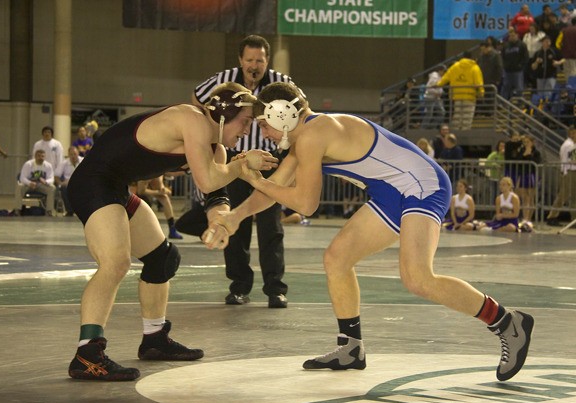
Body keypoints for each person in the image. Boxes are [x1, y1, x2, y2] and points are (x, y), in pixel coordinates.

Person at [207, 82, 534, 382]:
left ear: (283, 114)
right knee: (337, 258)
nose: (263, 133)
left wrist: (257, 181)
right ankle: (351, 347)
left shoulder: (314, 134)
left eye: (263, 123)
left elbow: (305, 204)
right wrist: (234, 218)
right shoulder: (304, 140)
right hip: (393, 192)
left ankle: (507, 322)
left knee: (417, 277)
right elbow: (271, 192)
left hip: (421, 184)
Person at [65, 82, 279, 381]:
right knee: (115, 262)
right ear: (221, 114)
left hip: (115, 187)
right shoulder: (190, 118)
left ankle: (154, 339)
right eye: (245, 121)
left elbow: (215, 193)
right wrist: (242, 166)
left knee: (162, 259)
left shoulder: (215, 148)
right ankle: (87, 355)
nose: (247, 130)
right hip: (93, 182)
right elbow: (206, 180)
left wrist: (221, 222)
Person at [192, 34, 290, 308]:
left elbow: (300, 108)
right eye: (249, 60)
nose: (254, 65)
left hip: (268, 163)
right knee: (236, 224)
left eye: (259, 60)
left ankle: (275, 289)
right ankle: (239, 286)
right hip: (235, 160)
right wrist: (210, 136)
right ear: (240, 60)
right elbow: (197, 98)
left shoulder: (281, 83)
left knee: (271, 226)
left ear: (267, 61)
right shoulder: (224, 80)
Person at [437, 51, 484, 130]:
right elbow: (478, 83)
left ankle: (456, 131)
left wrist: (438, 85)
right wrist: (481, 93)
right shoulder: (475, 68)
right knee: (467, 116)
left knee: (457, 115)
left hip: (457, 96)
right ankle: (465, 131)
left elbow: (446, 78)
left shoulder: (455, 66)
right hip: (470, 97)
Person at [136, 175, 184, 239]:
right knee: (145, 204)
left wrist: (164, 191)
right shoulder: (147, 175)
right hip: (134, 189)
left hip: (146, 186)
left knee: (165, 198)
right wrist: (158, 192)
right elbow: (140, 191)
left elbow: (164, 191)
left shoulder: (159, 175)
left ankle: (172, 229)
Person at [546, 126, 576, 226]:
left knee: (573, 197)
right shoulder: (570, 145)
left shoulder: (569, 144)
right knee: (563, 195)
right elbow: (572, 160)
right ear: (571, 133)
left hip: (569, 171)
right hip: (570, 172)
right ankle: (552, 216)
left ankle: (574, 218)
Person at [15, 149, 55, 215]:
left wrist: (46, 182)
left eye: (42, 156)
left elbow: (51, 178)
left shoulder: (48, 166)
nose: (40, 158)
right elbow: (22, 178)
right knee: (19, 187)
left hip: (41, 185)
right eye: (39, 156)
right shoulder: (28, 164)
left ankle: (49, 210)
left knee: (52, 188)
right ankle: (17, 210)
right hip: (29, 185)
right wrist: (29, 183)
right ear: (35, 156)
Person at [515, 135, 542, 222]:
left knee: (530, 198)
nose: (526, 144)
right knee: (524, 198)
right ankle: (525, 218)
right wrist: (524, 154)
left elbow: (536, 162)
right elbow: (518, 161)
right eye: (525, 142)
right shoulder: (521, 150)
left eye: (528, 142)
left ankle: (528, 218)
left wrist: (529, 155)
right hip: (522, 174)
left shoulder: (536, 152)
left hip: (532, 175)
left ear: (532, 142)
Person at [476, 38, 503, 116]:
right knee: (483, 97)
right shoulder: (481, 56)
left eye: (484, 49)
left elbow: (499, 67)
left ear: (489, 47)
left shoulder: (495, 55)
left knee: (490, 96)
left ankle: (490, 112)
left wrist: (498, 79)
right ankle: (484, 111)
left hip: (492, 79)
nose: (482, 51)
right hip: (482, 79)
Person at [501, 30, 530, 100]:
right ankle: (504, 103)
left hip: (518, 71)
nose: (512, 37)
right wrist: (505, 65)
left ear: (517, 36)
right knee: (506, 87)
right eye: (510, 36)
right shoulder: (505, 46)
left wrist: (520, 65)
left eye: (513, 35)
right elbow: (503, 57)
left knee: (519, 88)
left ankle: (519, 103)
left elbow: (525, 57)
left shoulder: (522, 45)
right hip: (508, 70)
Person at [55, 146, 83, 217]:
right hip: (68, 184)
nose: (73, 156)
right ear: (68, 155)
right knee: (63, 188)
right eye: (71, 154)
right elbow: (56, 176)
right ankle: (69, 210)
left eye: (75, 154)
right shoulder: (63, 163)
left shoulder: (83, 161)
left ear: (78, 153)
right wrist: (61, 183)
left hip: (81, 184)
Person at [421, 65, 446, 130]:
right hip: (430, 98)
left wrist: (441, 92)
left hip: (436, 98)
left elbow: (439, 87)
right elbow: (428, 88)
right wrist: (437, 93)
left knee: (442, 112)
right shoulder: (434, 76)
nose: (444, 73)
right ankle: (423, 128)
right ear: (440, 70)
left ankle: (432, 126)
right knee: (429, 114)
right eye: (443, 71)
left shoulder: (440, 77)